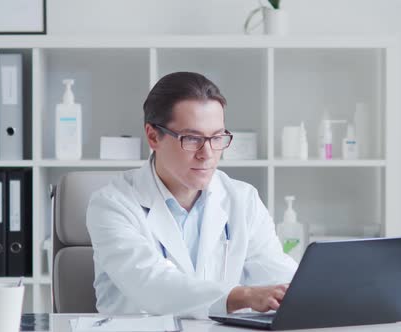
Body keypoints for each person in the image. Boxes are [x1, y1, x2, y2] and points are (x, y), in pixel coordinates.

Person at [86, 72, 298, 318]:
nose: (207, 153)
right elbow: (151, 285)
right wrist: (242, 296)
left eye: (217, 137)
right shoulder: (112, 204)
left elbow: (277, 273)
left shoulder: (242, 199)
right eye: (192, 138)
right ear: (153, 136)